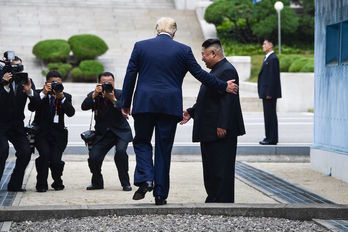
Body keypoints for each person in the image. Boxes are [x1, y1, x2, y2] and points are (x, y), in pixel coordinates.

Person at [121, 17, 238, 205]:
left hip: (144, 104)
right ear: (174, 33)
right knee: (163, 149)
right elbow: (200, 74)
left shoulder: (140, 46)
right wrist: (223, 86)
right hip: (169, 106)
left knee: (142, 141)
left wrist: (125, 103)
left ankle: (145, 178)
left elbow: (130, 75)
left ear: (156, 30)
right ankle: (160, 195)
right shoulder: (183, 50)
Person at [181, 39, 245, 203]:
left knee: (220, 168)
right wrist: (191, 111)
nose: (202, 58)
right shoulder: (217, 70)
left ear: (213, 53)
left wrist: (222, 124)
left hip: (220, 130)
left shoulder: (227, 70)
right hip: (210, 129)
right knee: (211, 167)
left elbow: (228, 100)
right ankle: (214, 198)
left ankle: (221, 201)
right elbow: (209, 98)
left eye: (203, 54)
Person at [81, 72, 132, 191]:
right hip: (103, 134)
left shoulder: (120, 94)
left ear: (114, 82)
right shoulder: (95, 94)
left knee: (120, 153)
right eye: (104, 82)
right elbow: (84, 106)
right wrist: (94, 94)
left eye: (110, 82)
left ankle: (125, 183)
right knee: (93, 158)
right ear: (99, 83)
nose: (108, 84)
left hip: (120, 132)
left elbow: (125, 109)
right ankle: (97, 182)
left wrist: (113, 99)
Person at [28, 70, 75, 192]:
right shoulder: (39, 94)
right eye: (52, 83)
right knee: (44, 156)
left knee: (56, 160)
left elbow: (71, 113)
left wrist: (62, 98)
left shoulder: (66, 96)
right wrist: (44, 92)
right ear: (46, 83)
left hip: (59, 135)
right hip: (41, 133)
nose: (55, 85)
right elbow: (31, 107)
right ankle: (41, 183)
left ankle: (57, 180)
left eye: (58, 83)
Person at [0, 52, 39, 192]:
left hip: (17, 125)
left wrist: (29, 92)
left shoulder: (25, 80)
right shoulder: (1, 79)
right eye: (13, 67)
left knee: (25, 152)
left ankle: (15, 185)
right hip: (1, 124)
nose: (16, 70)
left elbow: (35, 106)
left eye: (19, 67)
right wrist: (4, 84)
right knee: (2, 151)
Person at [257, 39, 282, 145]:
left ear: (271, 45)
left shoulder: (273, 58)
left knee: (270, 116)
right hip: (266, 92)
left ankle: (271, 139)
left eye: (265, 44)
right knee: (268, 116)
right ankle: (269, 137)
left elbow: (273, 77)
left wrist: (269, 93)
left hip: (269, 94)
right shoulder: (267, 58)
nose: (263, 45)